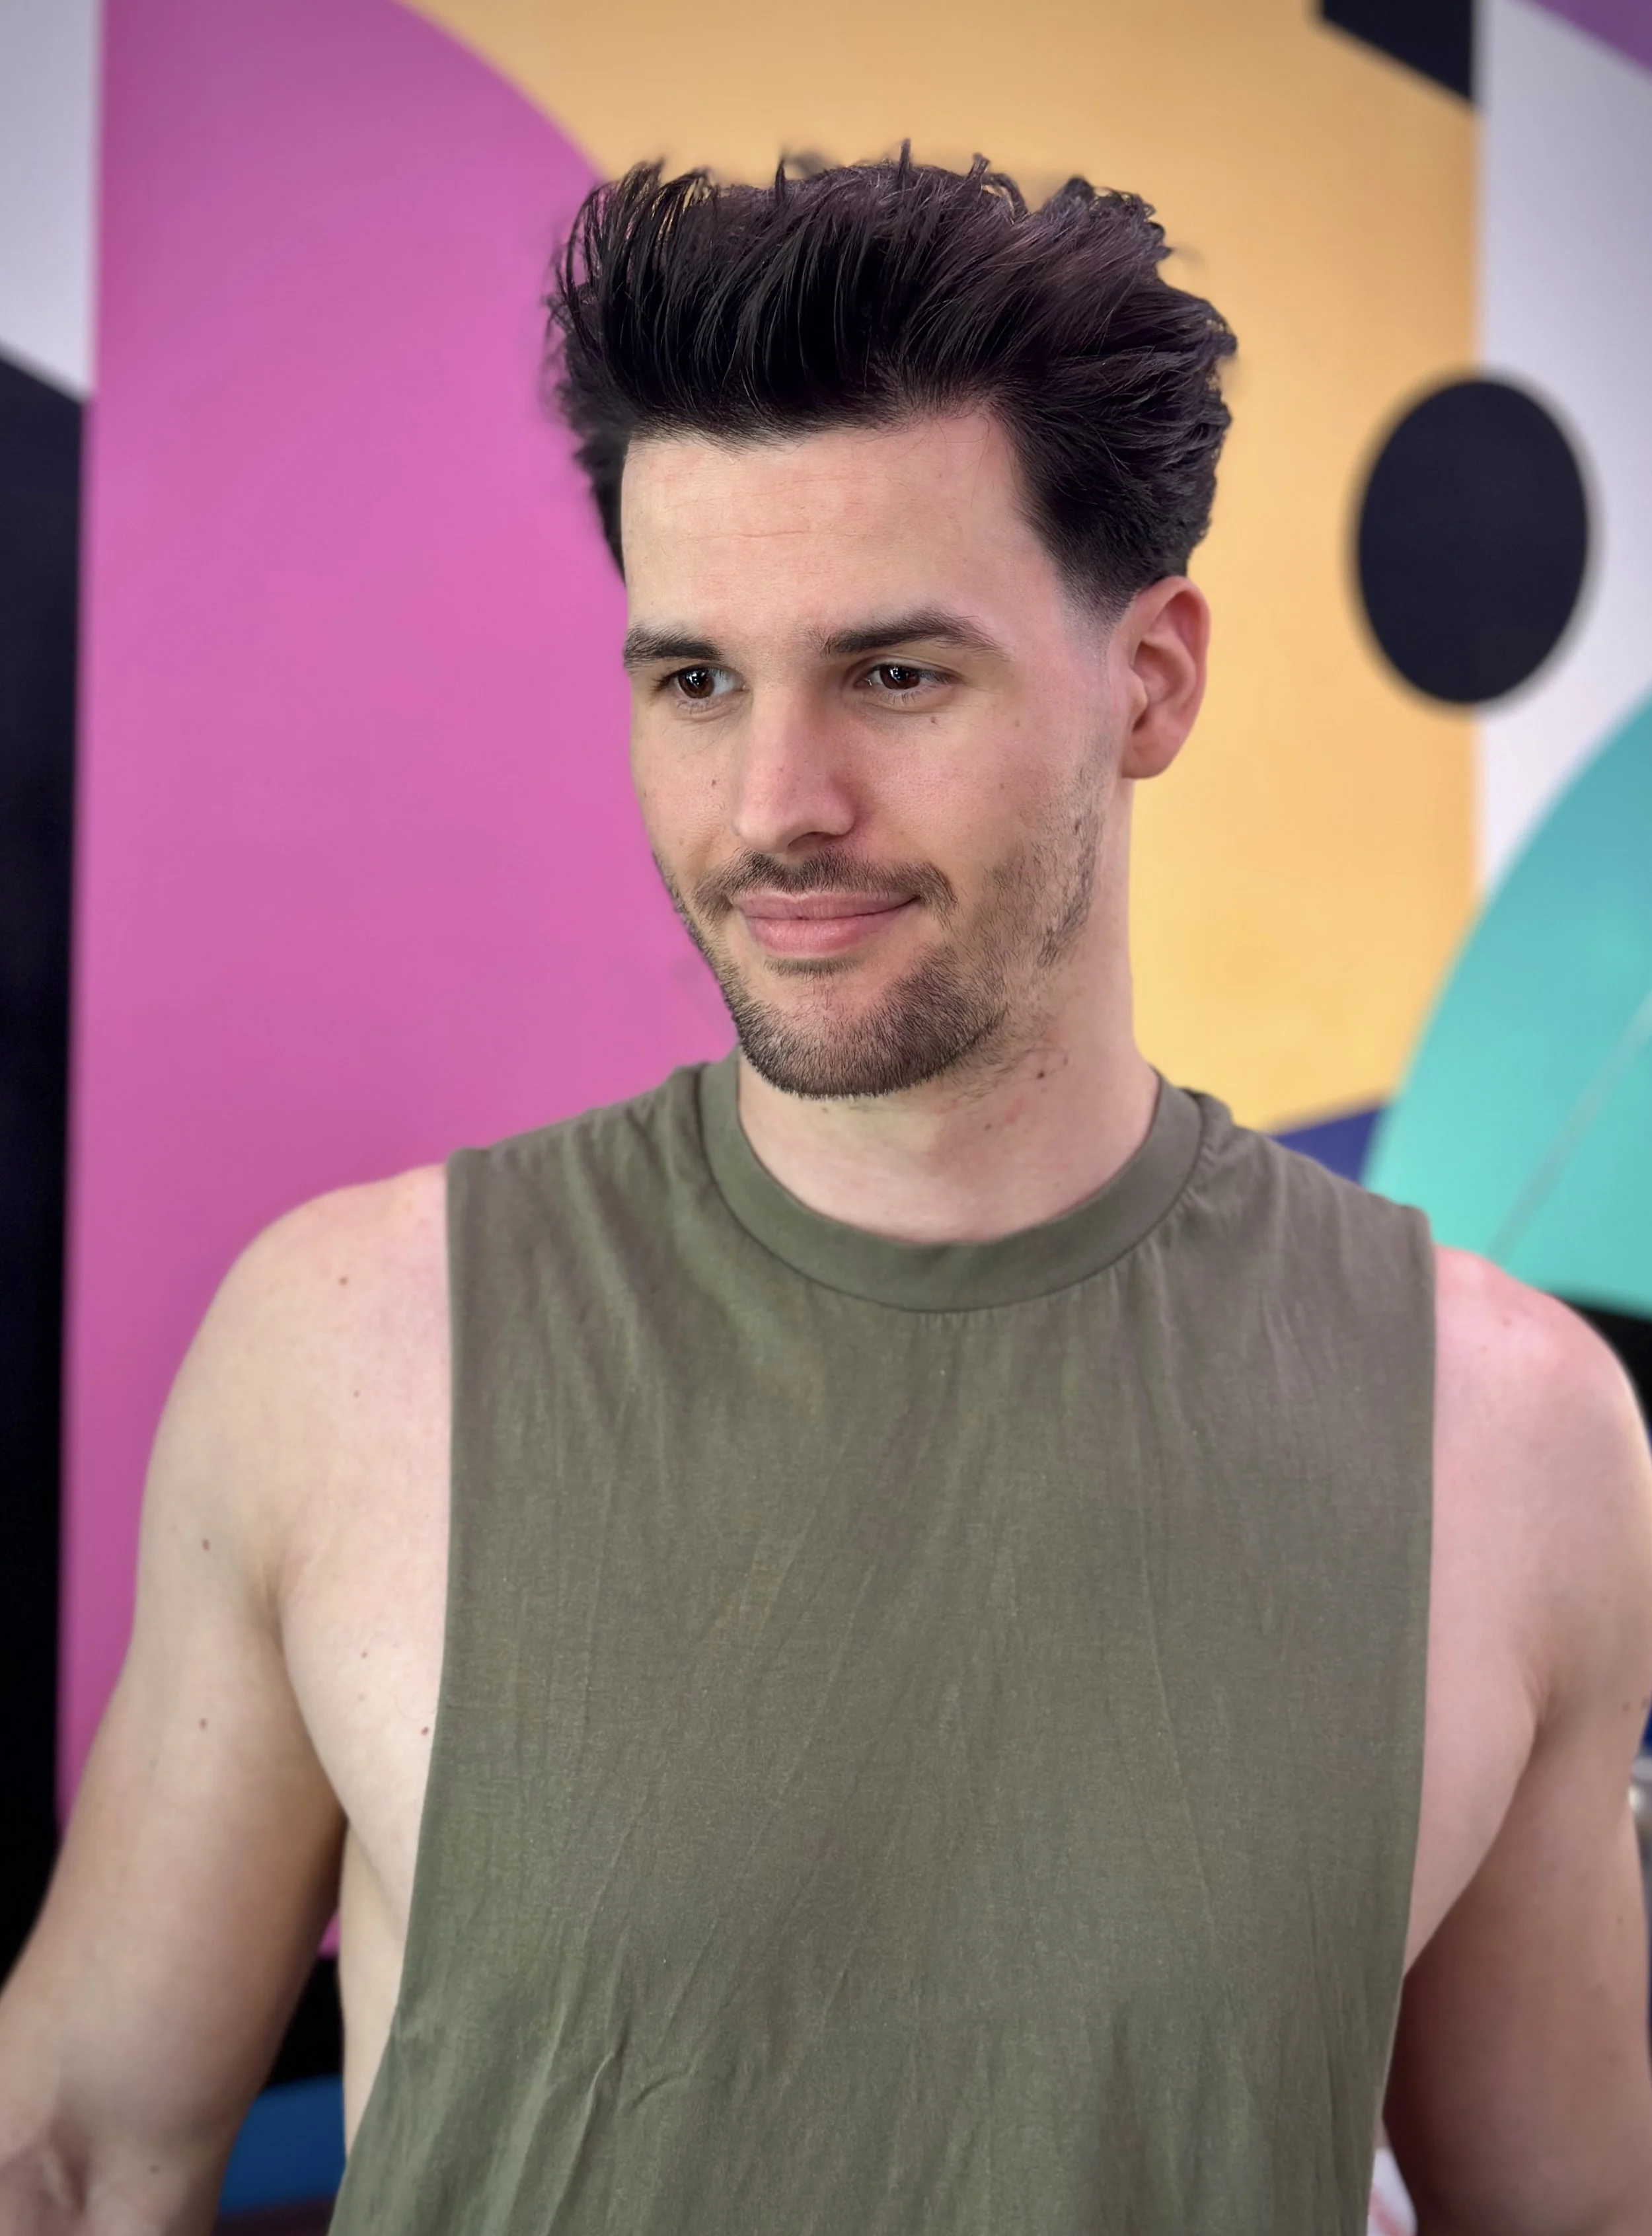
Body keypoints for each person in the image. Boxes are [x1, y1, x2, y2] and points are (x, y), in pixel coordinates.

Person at [2, 152, 1650, 2236]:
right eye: (694, 680)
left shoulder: (1505, 1434)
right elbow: (66, 2162)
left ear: (1147, 682)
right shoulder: (345, 1353)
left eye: (893, 675)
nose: (775, 807)